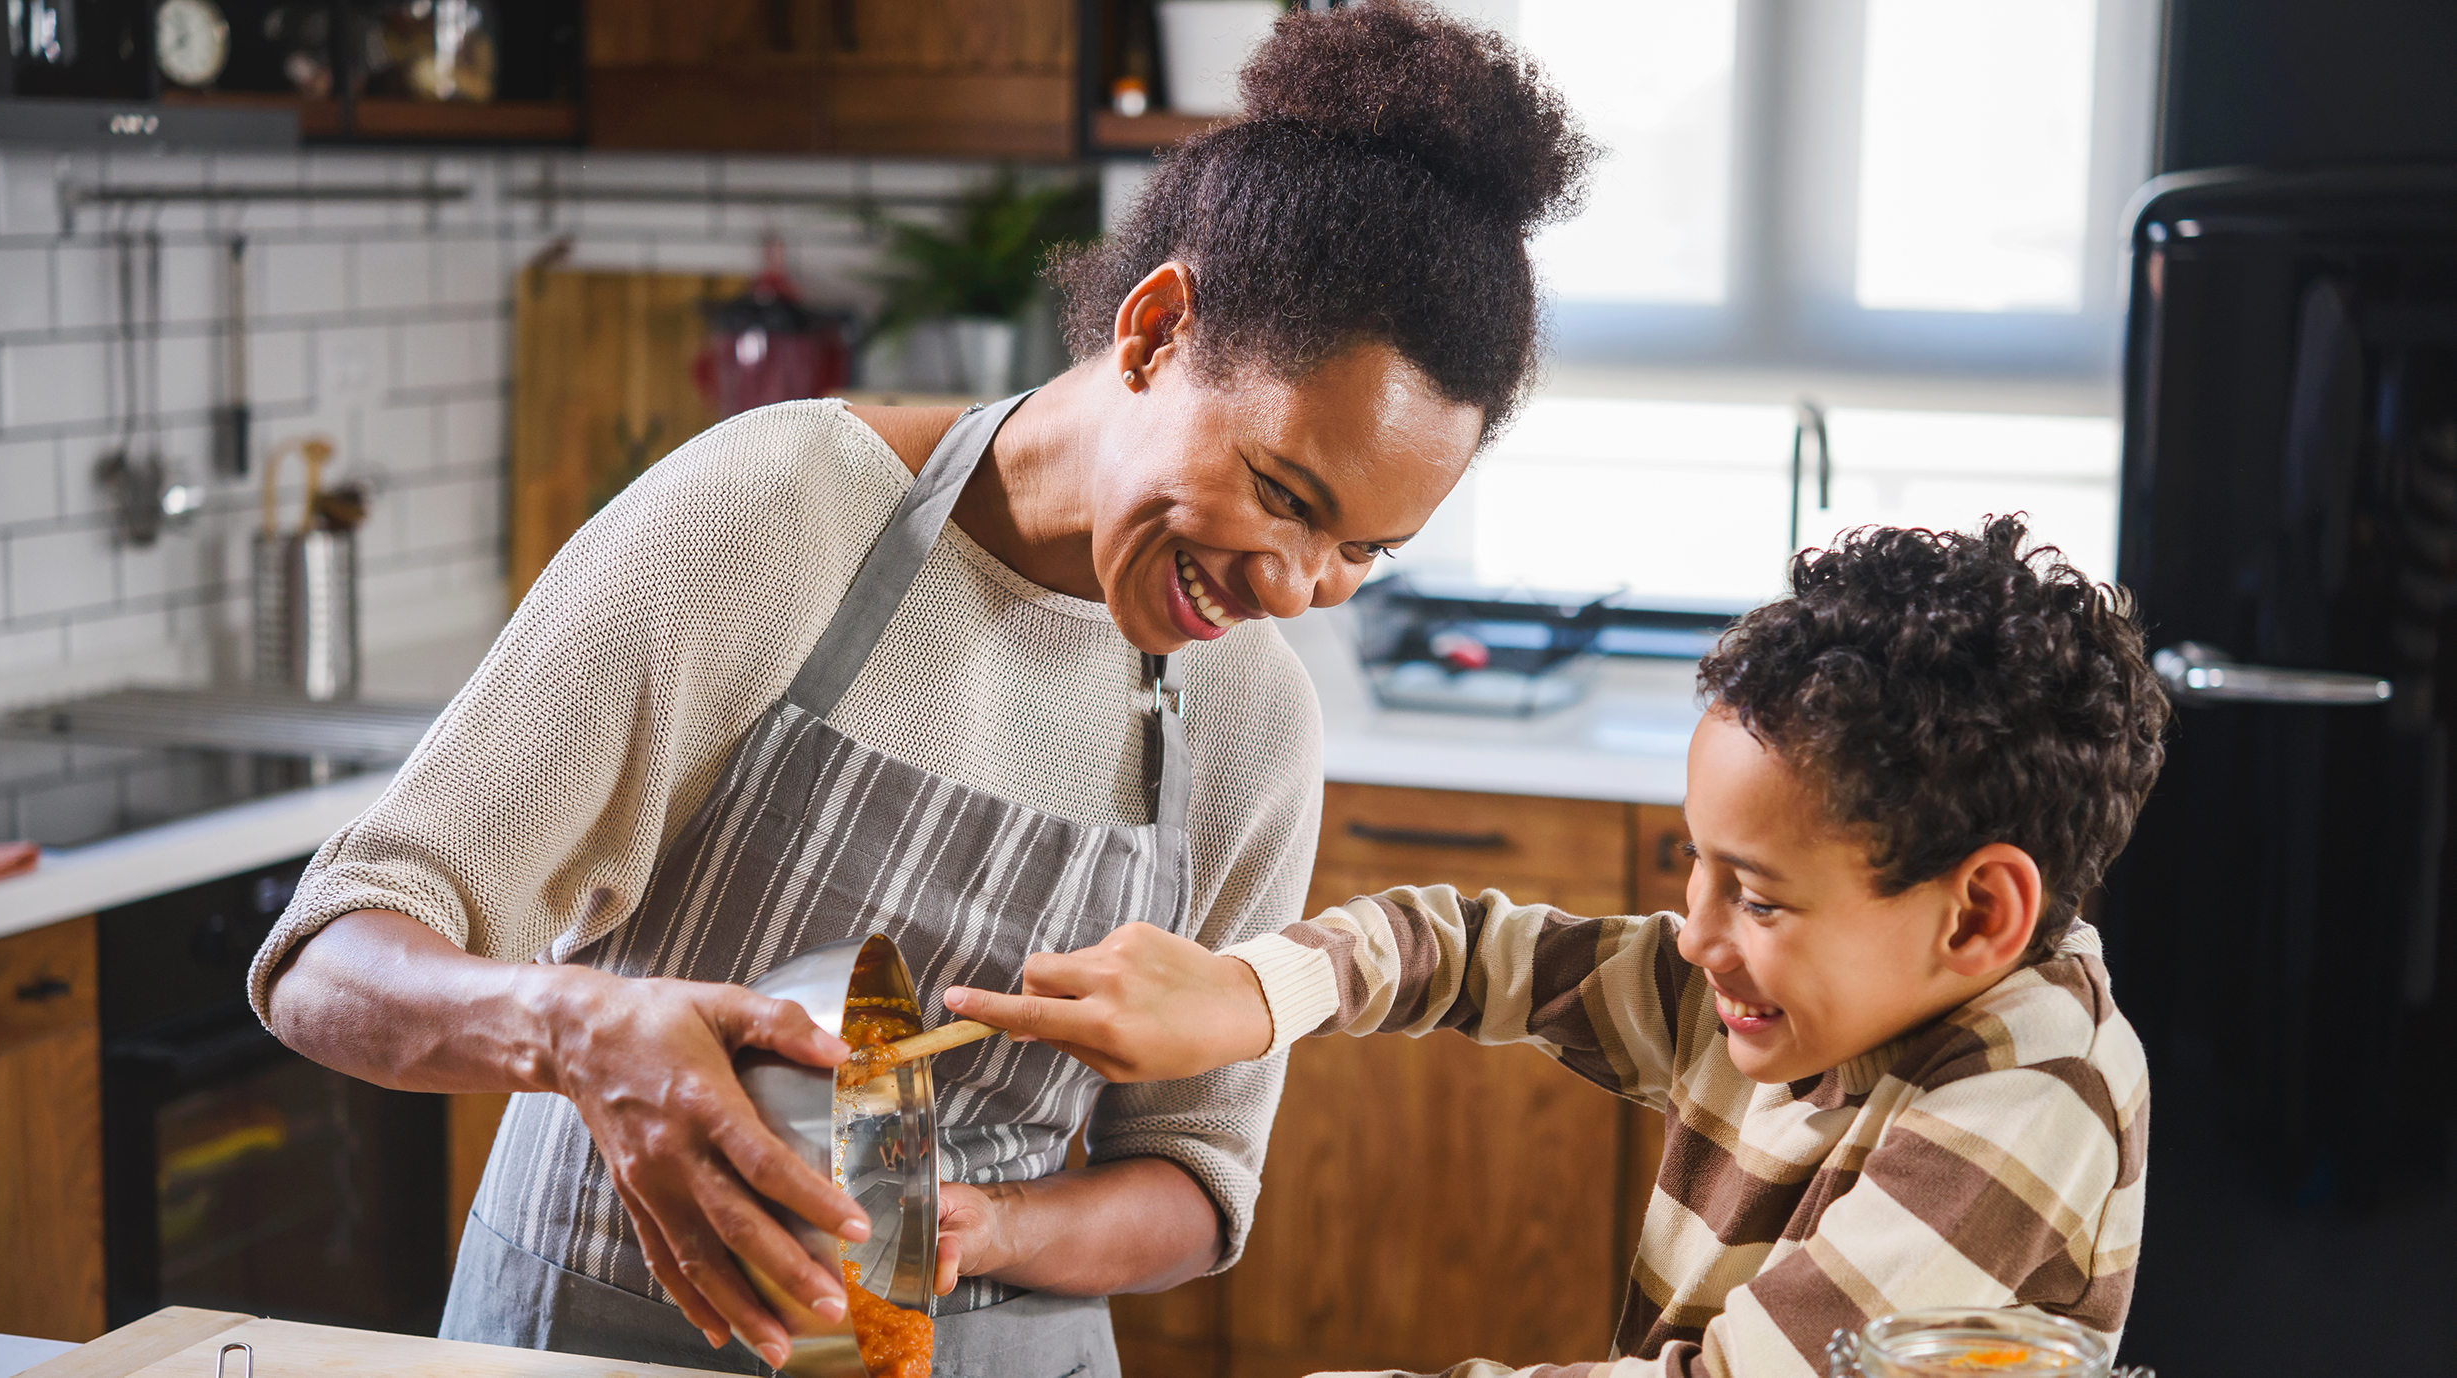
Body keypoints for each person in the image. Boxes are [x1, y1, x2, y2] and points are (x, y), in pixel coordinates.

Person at [248, 4, 1593, 1375]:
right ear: (1154, 330)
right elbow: (329, 956)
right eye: (1283, 493)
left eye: (1364, 550)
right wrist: (575, 1027)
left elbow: (1197, 1180)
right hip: (608, 1334)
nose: (1300, 584)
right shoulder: (777, 518)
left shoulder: (1252, 723)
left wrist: (988, 1228)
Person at [948, 517, 2169, 1377]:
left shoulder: (2029, 1091)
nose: (1694, 933)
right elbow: (1468, 948)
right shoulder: (1800, 988)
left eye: (1759, 897)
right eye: (1700, 866)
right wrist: (1253, 995)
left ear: (1977, 915)